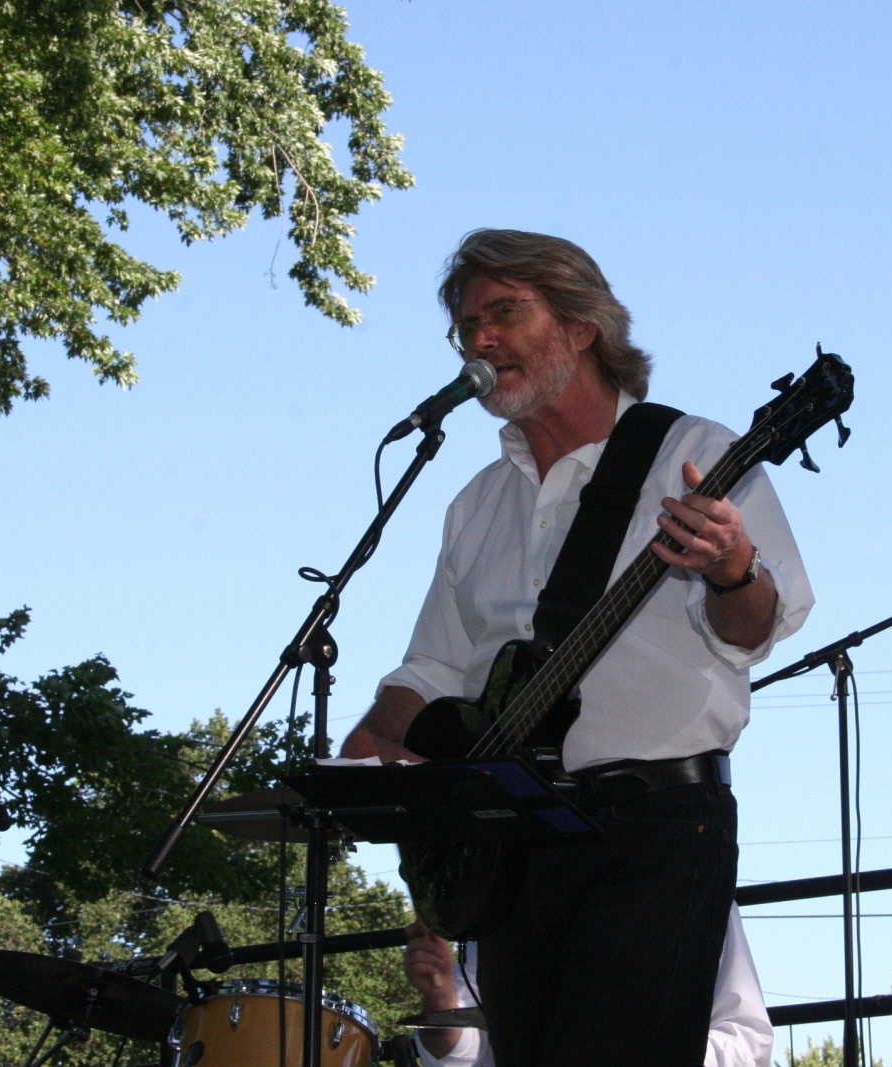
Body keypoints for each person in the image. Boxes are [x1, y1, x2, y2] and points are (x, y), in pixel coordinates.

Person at [342, 229, 812, 1066]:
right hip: (513, 844)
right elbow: (436, 666)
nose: (481, 338)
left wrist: (732, 567)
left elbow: (758, 627)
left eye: (504, 312)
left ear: (582, 326)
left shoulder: (693, 454)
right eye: (466, 325)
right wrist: (376, 738)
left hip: (654, 829)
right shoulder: (476, 503)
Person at [403, 904, 773, 1067]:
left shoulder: (691, 884)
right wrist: (441, 996)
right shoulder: (502, 897)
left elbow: (747, 1042)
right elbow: (475, 1056)